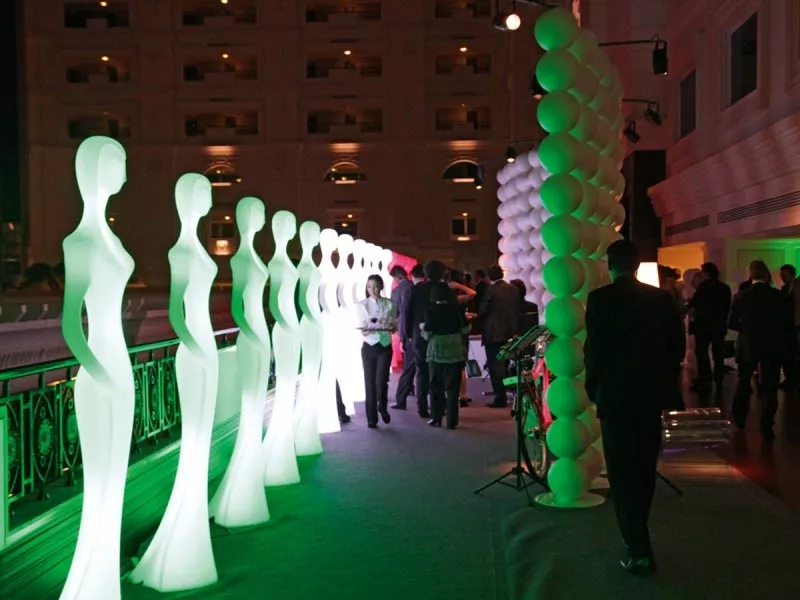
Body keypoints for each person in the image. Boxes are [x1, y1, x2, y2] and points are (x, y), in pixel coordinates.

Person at [584, 239, 685, 575]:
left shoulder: (600, 299)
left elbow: (594, 351)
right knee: (643, 468)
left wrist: (594, 389)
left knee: (621, 471)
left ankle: (637, 546)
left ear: (609, 264)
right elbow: (676, 348)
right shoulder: (660, 299)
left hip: (615, 396)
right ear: (637, 265)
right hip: (651, 395)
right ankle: (639, 537)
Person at [729, 260, 788, 441]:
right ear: (766, 273)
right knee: (769, 386)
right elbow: (784, 323)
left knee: (743, 382)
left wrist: (746, 330)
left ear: (751, 274)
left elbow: (732, 323)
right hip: (771, 345)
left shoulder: (741, 296)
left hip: (748, 344)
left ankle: (739, 420)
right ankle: (767, 426)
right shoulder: (777, 295)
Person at [420, 263, 470, 429]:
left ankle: (436, 417)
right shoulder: (456, 308)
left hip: (436, 350)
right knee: (453, 387)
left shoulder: (430, 310)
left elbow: (427, 334)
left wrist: (422, 328)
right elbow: (465, 329)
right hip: (455, 349)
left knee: (435, 385)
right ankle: (452, 421)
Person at [356, 274, 397, 428]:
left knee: (382, 380)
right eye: (369, 287)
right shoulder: (362, 305)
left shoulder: (390, 304)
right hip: (369, 345)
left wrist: (392, 328)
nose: (372, 290)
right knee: (369, 382)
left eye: (375, 286)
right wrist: (365, 331)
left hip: (384, 345)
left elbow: (393, 326)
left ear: (381, 287)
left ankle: (382, 407)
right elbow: (363, 326)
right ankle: (371, 418)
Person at [478, 265, 519, 408]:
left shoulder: (490, 290)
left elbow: (482, 310)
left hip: (494, 332)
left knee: (495, 366)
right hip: (511, 331)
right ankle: (509, 391)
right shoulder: (514, 289)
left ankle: (500, 398)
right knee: (506, 363)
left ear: (489, 277)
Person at [687, 262, 731, 394]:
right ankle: (718, 378)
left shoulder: (703, 287)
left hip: (703, 325)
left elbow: (694, 303)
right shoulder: (724, 287)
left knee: (702, 352)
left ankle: (705, 378)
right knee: (718, 353)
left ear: (706, 273)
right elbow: (727, 306)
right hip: (719, 325)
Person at [394, 264, 428, 414]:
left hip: (413, 336)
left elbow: (404, 315)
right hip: (429, 335)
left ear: (412, 275)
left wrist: (404, 336)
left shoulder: (407, 291)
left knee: (409, 369)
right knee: (427, 371)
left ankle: (401, 400)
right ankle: (429, 405)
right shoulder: (431, 290)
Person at [779, 264, 797, 391]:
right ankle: (790, 379)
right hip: (788, 327)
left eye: (784, 275)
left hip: (793, 326)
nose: (782, 278)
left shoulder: (788, 289)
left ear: (792, 275)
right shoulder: (784, 289)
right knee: (788, 355)